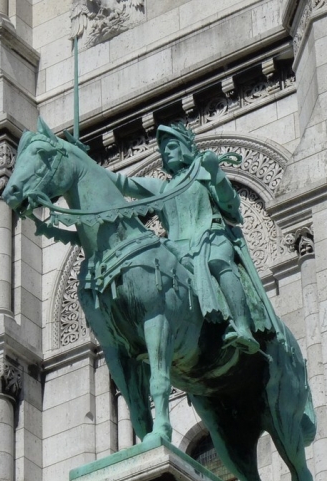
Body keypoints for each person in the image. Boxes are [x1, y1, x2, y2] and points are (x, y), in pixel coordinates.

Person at [108, 123, 274, 354]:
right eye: (163, 148)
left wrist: (216, 173)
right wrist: (82, 164)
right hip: (178, 249)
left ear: (185, 148)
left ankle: (243, 327)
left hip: (212, 237)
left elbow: (231, 207)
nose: (167, 151)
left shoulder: (202, 172)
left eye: (172, 146)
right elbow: (124, 184)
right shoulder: (161, 188)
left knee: (218, 262)